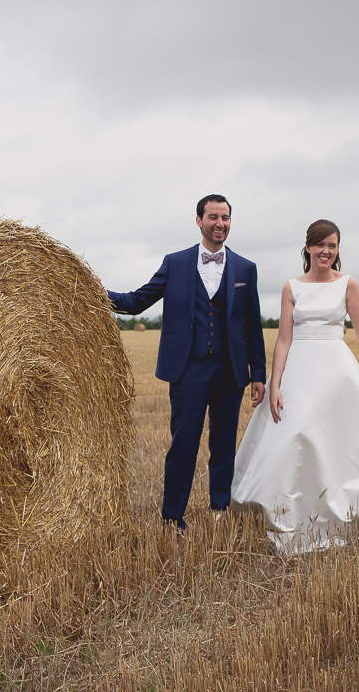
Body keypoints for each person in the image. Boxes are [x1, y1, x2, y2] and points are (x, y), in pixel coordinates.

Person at [231, 219, 359, 554]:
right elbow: (284, 340)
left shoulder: (348, 285)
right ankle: (291, 512)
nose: (326, 252)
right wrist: (275, 384)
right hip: (299, 371)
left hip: (337, 373)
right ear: (307, 248)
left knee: (339, 442)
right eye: (320, 245)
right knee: (296, 434)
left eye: (332, 246)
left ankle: (341, 513)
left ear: (337, 250)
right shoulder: (292, 287)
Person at [106, 195, 268, 530]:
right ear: (198, 221)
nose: (219, 223)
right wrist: (94, 292)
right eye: (212, 217)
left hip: (230, 370)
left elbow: (252, 326)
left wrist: (258, 375)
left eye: (225, 218)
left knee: (223, 443)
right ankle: (172, 516)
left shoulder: (246, 269)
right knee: (184, 443)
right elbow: (138, 302)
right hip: (188, 368)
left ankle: (219, 509)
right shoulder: (176, 262)